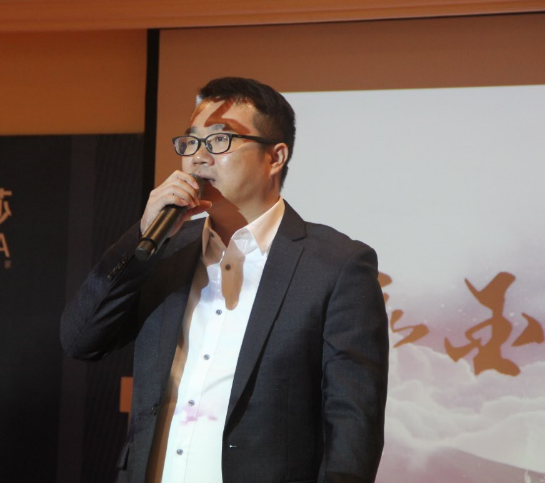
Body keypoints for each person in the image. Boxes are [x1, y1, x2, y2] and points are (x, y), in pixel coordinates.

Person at [61, 77, 389, 483]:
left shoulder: (336, 265)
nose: (199, 158)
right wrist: (141, 235)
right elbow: (81, 339)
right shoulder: (165, 249)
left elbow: (353, 423)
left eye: (219, 140)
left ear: (275, 157)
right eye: (191, 142)